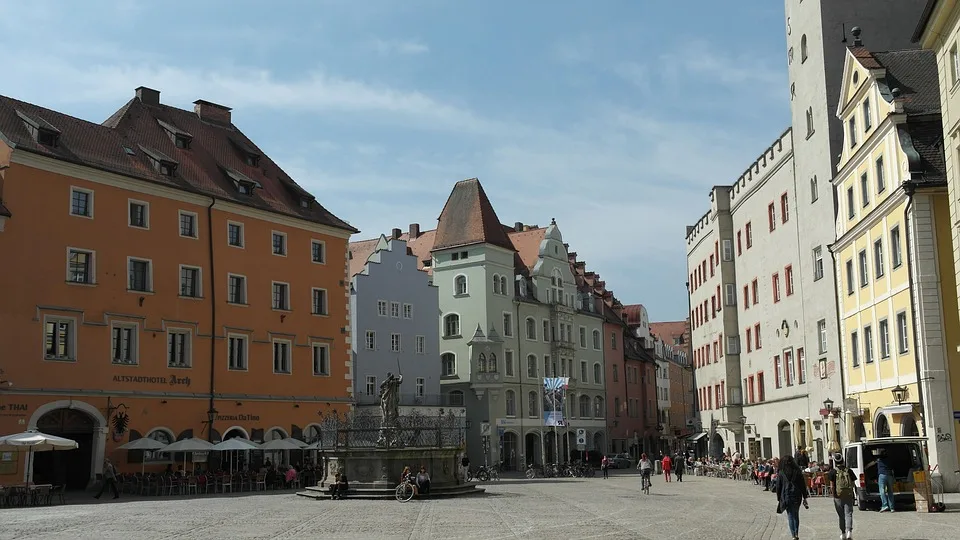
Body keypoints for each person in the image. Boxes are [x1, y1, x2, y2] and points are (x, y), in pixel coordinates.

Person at [777, 455, 809, 540]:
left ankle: (793, 535)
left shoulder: (781, 472)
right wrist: (805, 497)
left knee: (790, 515)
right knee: (796, 514)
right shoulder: (797, 471)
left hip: (786, 495)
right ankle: (796, 533)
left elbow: (778, 486)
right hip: (797, 495)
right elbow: (802, 485)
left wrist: (779, 497)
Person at [830, 453, 856, 540]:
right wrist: (853, 494)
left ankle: (843, 533)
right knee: (849, 514)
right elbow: (853, 483)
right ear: (843, 460)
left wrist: (834, 495)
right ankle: (849, 532)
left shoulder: (833, 471)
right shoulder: (849, 470)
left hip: (838, 495)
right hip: (848, 494)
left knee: (841, 516)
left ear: (835, 461)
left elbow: (832, 485)